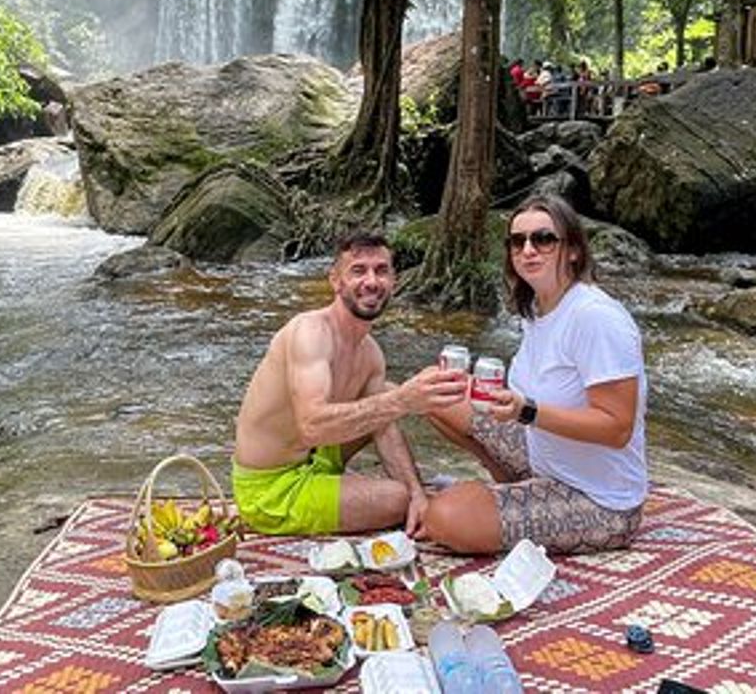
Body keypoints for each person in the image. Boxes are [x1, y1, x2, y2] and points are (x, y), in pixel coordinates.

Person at [421, 195, 648, 554]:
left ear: (572, 250)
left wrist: (527, 410)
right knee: (436, 391)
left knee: (443, 518)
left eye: (543, 239)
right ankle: (509, 489)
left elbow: (617, 428)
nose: (528, 250)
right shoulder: (537, 310)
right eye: (517, 241)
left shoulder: (596, 317)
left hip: (599, 500)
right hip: (543, 458)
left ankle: (497, 507)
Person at [231, 231, 467, 536]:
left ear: (394, 280)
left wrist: (417, 492)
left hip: (318, 458)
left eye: (381, 271)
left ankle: (407, 492)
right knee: (395, 499)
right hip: (272, 489)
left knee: (386, 396)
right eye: (358, 271)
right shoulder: (310, 333)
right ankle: (377, 495)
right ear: (335, 280)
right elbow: (312, 426)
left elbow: (383, 423)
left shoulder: (370, 352)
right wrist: (403, 401)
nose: (371, 281)